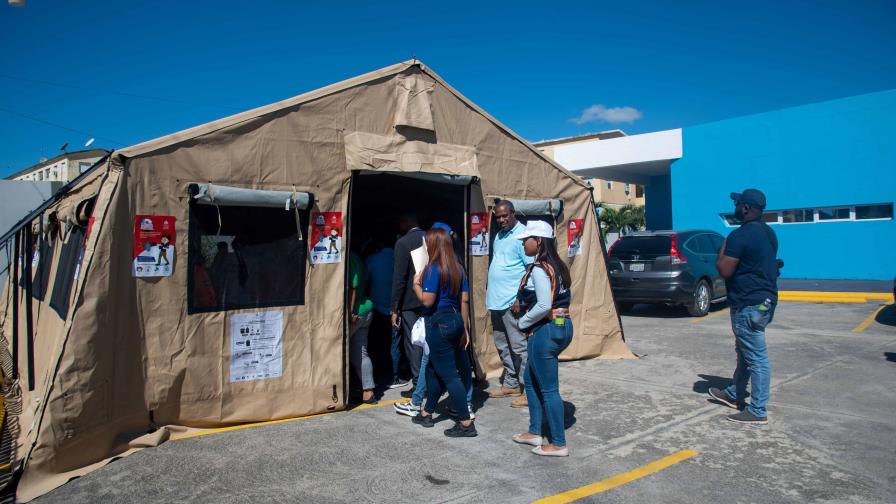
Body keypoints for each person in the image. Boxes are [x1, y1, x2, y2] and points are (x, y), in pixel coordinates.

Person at [709, 189, 779, 425]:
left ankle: (758, 410)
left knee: (756, 357)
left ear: (746, 208)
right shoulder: (768, 233)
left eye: (737, 204)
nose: (735, 207)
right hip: (765, 302)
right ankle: (734, 393)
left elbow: (724, 269)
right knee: (745, 352)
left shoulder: (740, 236)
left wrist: (724, 244)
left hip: (747, 304)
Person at [394, 222, 474, 420]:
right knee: (433, 370)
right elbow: (464, 299)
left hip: (439, 323)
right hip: (456, 320)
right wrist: (465, 329)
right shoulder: (459, 268)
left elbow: (428, 302)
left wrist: (416, 286)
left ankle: (465, 420)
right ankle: (426, 411)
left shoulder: (432, 269)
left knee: (448, 375)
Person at [510, 220, 573, 456]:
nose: (523, 243)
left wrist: (523, 322)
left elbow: (545, 304)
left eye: (526, 239)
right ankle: (535, 431)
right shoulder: (557, 266)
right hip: (562, 325)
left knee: (548, 389)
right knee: (531, 378)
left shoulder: (539, 268)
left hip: (545, 330)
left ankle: (558, 443)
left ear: (538, 241)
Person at [486, 200, 533, 408]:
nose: (501, 220)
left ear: (513, 213)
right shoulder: (499, 235)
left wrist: (520, 298)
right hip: (496, 301)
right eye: (498, 216)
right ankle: (512, 383)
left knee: (519, 347)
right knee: (503, 346)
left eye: (505, 215)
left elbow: (531, 269)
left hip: (512, 302)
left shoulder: (523, 235)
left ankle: (529, 390)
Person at [365, 232, 407, 389]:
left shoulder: (371, 260)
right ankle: (393, 377)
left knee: (376, 344)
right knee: (394, 345)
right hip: (395, 309)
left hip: (376, 308)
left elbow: (366, 281)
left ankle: (377, 376)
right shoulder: (399, 259)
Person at [390, 213, 427, 392]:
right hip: (430, 298)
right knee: (429, 340)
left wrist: (394, 308)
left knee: (414, 343)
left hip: (410, 302)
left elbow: (400, 278)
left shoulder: (403, 243)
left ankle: (419, 384)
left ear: (407, 221)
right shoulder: (431, 238)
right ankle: (430, 381)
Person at [349, 251, 375, 403]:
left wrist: (350, 312)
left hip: (355, 313)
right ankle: (368, 390)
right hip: (367, 309)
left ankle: (345, 389)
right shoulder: (358, 257)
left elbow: (353, 286)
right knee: (361, 352)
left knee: (340, 352)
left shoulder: (348, 259)